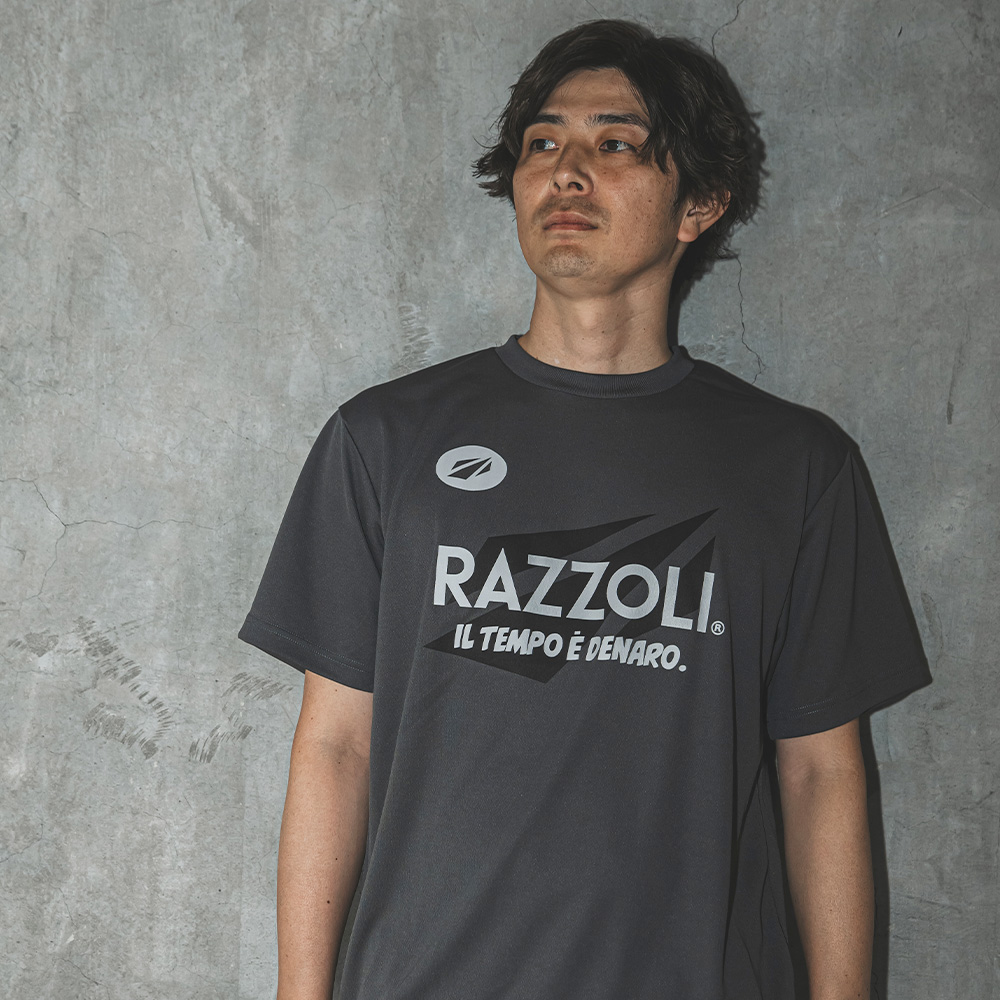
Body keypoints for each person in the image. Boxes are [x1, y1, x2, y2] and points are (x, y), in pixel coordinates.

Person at [239, 18, 930, 1000]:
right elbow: (336, 745)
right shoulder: (386, 440)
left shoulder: (797, 467)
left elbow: (822, 774)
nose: (566, 171)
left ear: (699, 204)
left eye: (614, 144)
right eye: (542, 143)